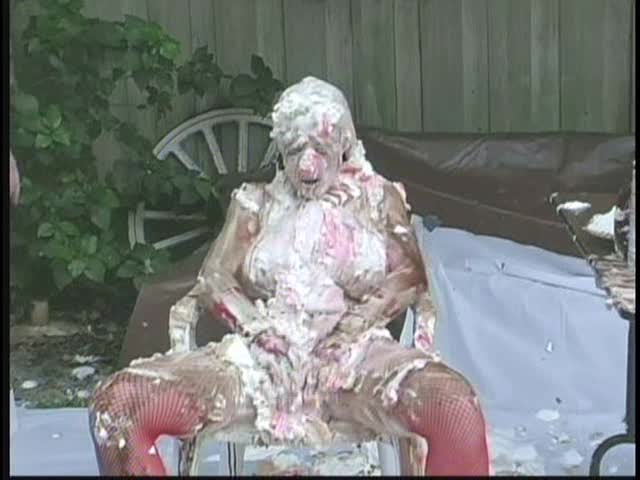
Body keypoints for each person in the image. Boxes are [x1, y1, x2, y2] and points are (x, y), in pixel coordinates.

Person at [89, 77, 491, 476]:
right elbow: (214, 279)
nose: (307, 165)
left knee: (454, 405)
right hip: (255, 366)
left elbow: (409, 274)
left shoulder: (376, 198)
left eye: (320, 148)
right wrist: (260, 332)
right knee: (119, 405)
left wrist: (350, 329)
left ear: (343, 144)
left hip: (359, 360)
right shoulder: (256, 202)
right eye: (295, 150)